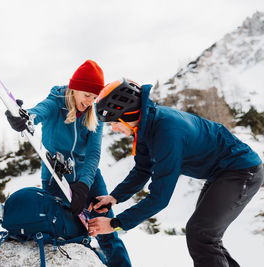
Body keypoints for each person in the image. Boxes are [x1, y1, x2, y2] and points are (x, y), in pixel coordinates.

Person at [88, 77, 264, 267]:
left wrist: (115, 223)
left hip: (242, 171)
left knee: (201, 234)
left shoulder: (167, 134)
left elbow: (160, 198)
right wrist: (114, 197)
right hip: (221, 173)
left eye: (115, 122)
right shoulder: (147, 126)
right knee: (204, 236)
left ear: (128, 113)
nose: (114, 128)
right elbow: (142, 169)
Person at [5, 60, 132, 267]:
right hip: (56, 178)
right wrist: (25, 118)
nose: (90, 101)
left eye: (94, 97)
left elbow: (93, 153)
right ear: (74, 89)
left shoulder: (95, 114)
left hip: (88, 177)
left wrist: (84, 184)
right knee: (67, 233)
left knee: (106, 232)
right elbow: (39, 111)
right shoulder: (56, 101)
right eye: (86, 95)